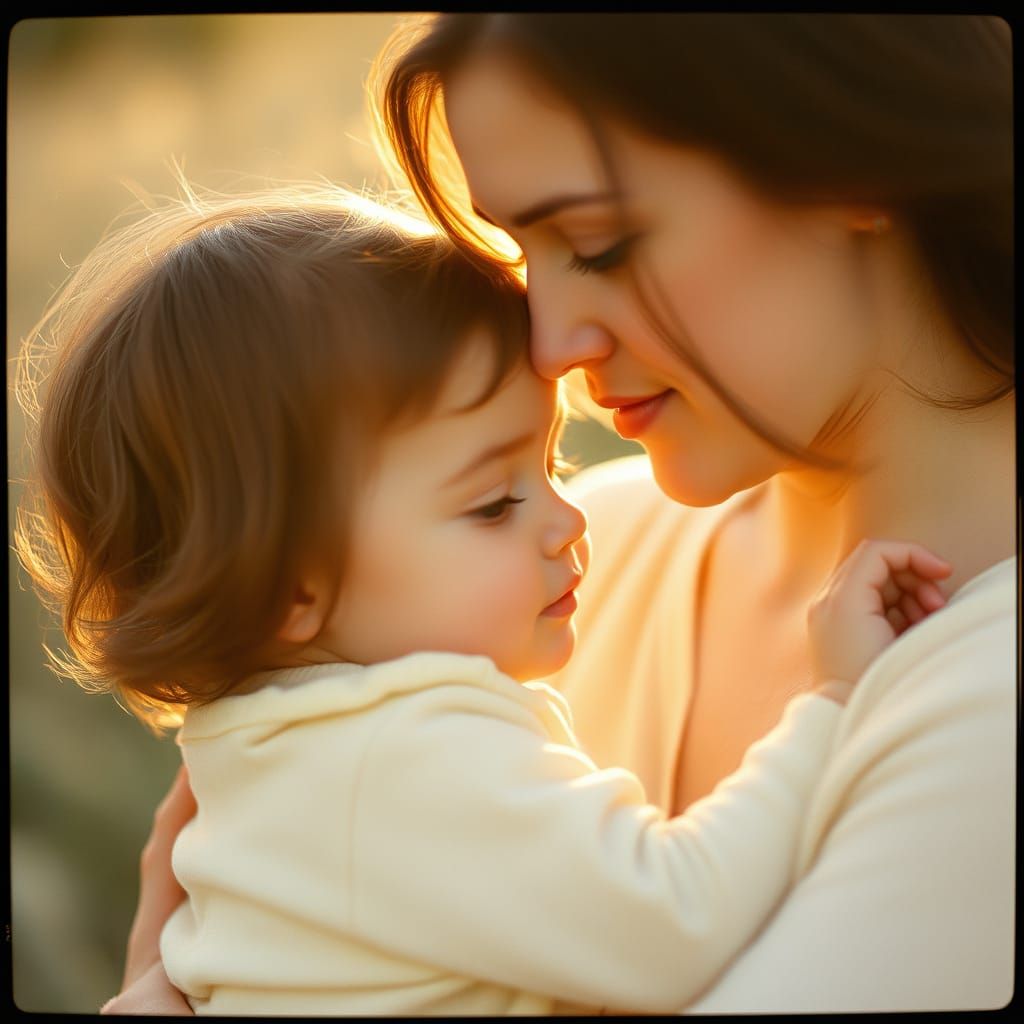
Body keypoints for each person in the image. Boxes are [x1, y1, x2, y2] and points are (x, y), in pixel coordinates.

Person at [103, 12, 1015, 1015]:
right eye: (521, 250)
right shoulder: (557, 569)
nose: (546, 344)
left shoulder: (985, 694)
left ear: (853, 158)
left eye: (600, 243)